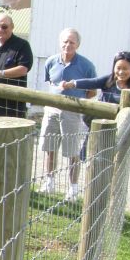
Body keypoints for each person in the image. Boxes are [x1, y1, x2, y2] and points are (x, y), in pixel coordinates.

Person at [39, 28, 97, 200]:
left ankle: (73, 188)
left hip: (72, 113)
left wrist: (75, 103)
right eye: (65, 41)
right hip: (51, 110)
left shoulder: (86, 66)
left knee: (72, 151)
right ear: (60, 43)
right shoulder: (50, 62)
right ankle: (49, 182)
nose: (67, 45)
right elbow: (50, 83)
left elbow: (92, 91)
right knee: (49, 148)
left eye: (71, 42)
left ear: (78, 44)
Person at [61, 50, 130, 156]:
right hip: (98, 129)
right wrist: (73, 84)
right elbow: (93, 82)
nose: (121, 72)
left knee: (110, 162)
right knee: (91, 158)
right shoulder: (109, 81)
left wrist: (124, 119)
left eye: (125, 68)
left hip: (120, 134)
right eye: (118, 68)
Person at [0, 14, 34, 117]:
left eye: (4, 26)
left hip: (11, 110)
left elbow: (23, 69)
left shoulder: (22, 45)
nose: (0, 30)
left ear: (12, 27)